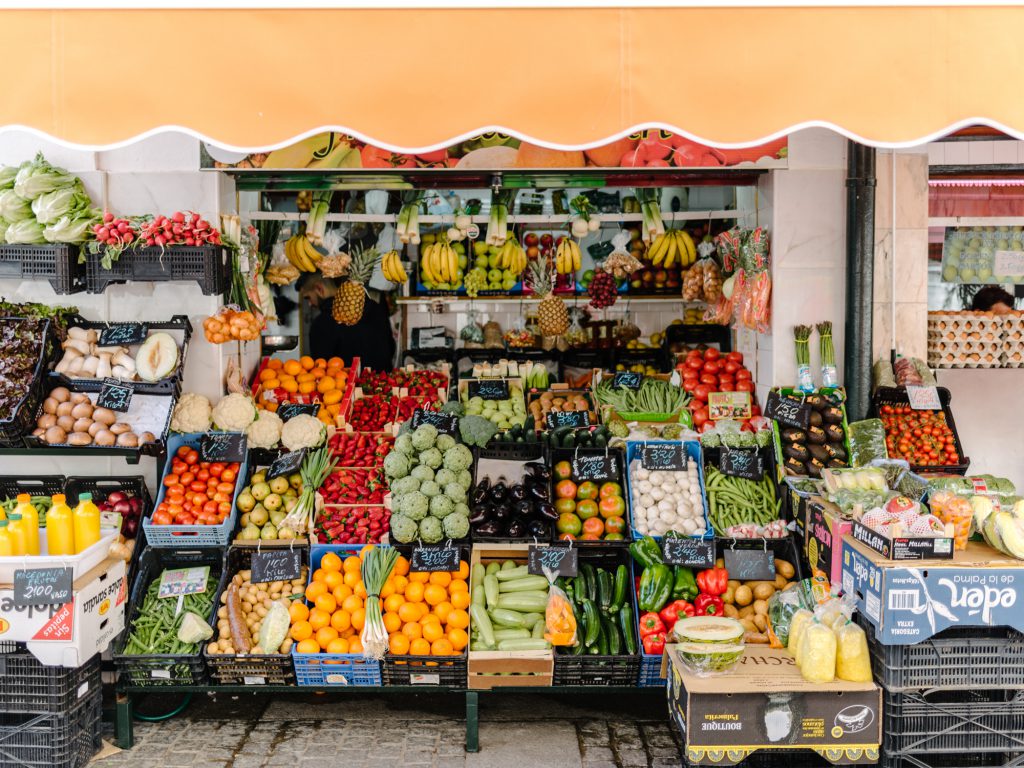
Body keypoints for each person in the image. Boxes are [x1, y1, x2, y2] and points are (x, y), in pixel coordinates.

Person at [297, 273, 396, 371]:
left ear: (319, 289)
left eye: (308, 297)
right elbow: (391, 348)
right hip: (383, 382)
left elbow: (321, 368)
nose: (310, 304)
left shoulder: (321, 323)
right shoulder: (374, 307)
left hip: (346, 385)